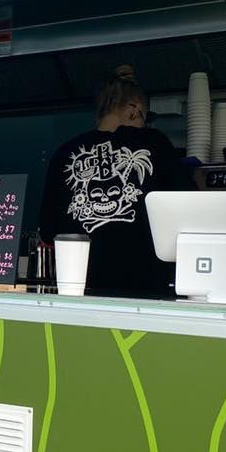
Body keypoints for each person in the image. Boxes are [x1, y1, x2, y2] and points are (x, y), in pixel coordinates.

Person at [38, 65, 187, 297]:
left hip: (79, 289)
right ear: (134, 109)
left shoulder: (65, 152)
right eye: (144, 118)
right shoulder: (154, 142)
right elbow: (186, 207)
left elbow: (48, 231)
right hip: (146, 287)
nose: (143, 125)